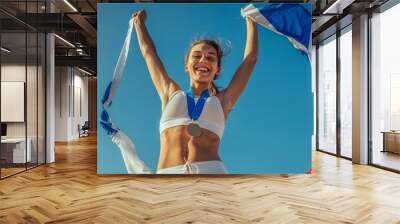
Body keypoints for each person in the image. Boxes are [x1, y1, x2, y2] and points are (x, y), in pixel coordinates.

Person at [130, 9, 258, 174]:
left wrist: (251, 18)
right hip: (168, 175)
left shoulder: (222, 101)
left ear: (217, 69)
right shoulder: (170, 92)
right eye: (197, 56)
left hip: (211, 173)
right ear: (186, 65)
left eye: (210, 57)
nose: (203, 60)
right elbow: (149, 54)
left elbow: (250, 60)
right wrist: (139, 24)